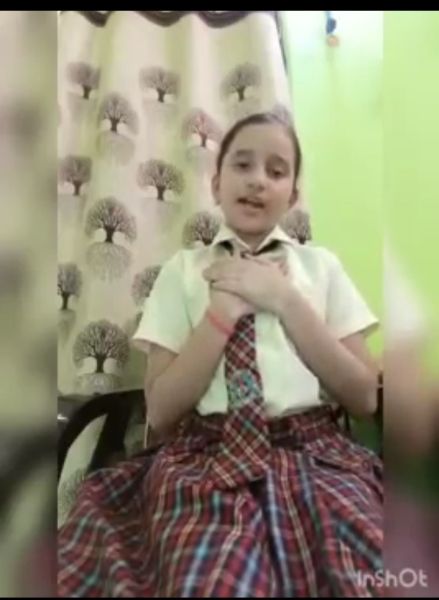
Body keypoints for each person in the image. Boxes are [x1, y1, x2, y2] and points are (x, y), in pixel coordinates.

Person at [58, 112, 383, 597]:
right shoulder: (183, 271)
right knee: (209, 581)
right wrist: (220, 316)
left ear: (293, 194)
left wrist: (286, 301)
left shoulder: (321, 268)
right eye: (242, 165)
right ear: (216, 183)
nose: (257, 180)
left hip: (313, 455)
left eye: (276, 171)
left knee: (369, 565)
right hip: (204, 458)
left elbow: (364, 398)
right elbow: (162, 412)